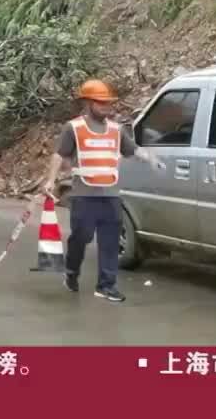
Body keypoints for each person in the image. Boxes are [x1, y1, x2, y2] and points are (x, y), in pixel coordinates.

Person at [44, 79, 166, 303]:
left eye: (108, 103)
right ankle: (71, 272)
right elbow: (59, 154)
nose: (106, 107)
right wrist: (51, 180)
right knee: (81, 237)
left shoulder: (115, 130)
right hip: (84, 195)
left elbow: (133, 150)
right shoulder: (74, 128)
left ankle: (106, 286)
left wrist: (151, 159)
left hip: (110, 195)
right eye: (101, 103)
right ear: (88, 103)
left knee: (110, 241)